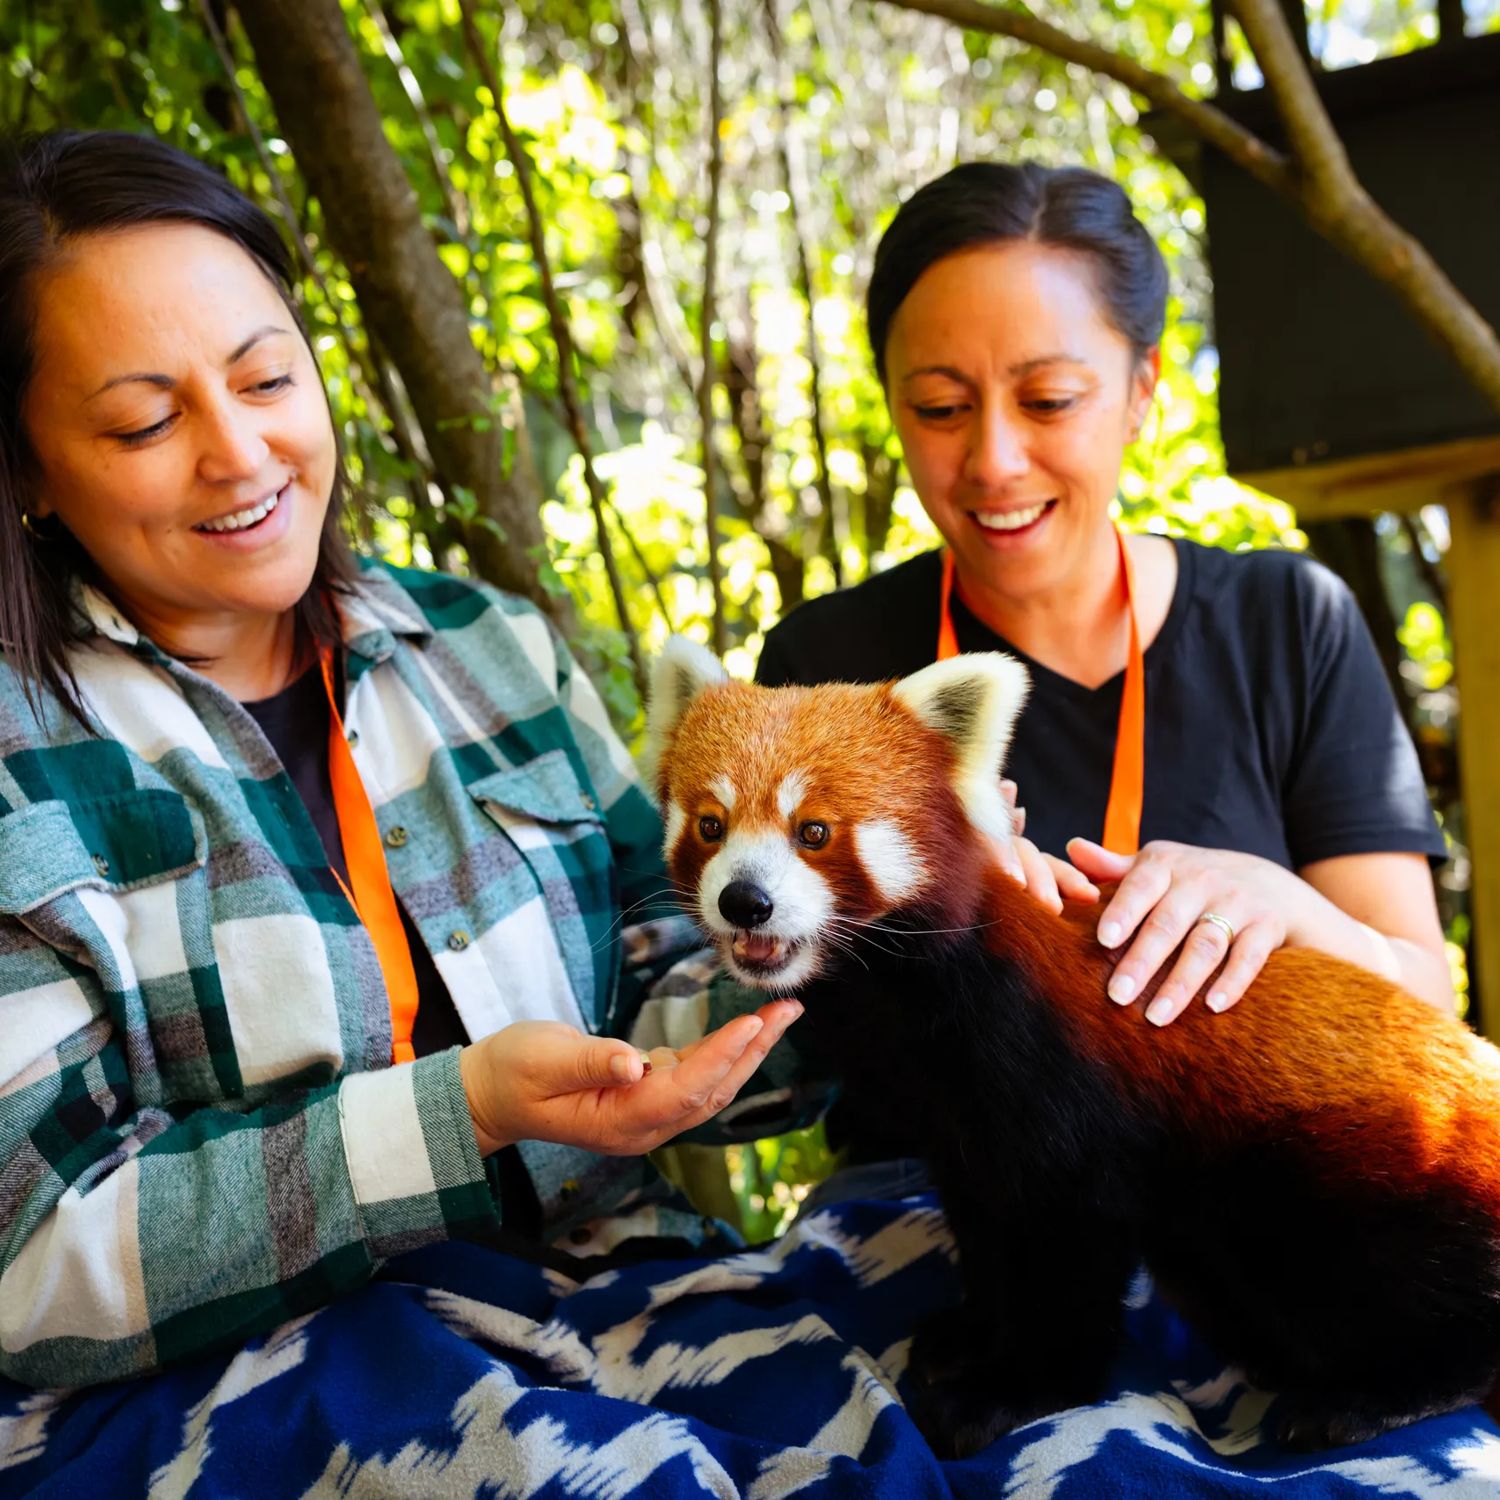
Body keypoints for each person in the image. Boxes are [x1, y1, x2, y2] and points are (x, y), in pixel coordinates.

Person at [0, 128, 803, 1391]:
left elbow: (662, 970)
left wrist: (867, 968)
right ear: (29, 471)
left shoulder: (485, 645)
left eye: (267, 381)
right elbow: (35, 1268)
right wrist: (461, 1111)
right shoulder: (19, 758)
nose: (240, 453)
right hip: (264, 1390)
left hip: (626, 1293)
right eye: (148, 420)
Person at [759, 161, 1452, 1070]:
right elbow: (788, 1040)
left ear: (1141, 393)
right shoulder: (824, 662)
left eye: (1048, 401)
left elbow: (1424, 1006)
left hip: (1263, 1174)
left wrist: (1290, 910)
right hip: (941, 1188)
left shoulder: (1288, 621)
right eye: (940, 407)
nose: (995, 460)